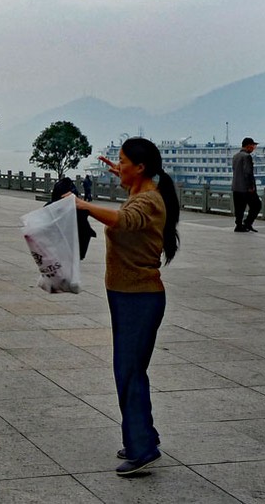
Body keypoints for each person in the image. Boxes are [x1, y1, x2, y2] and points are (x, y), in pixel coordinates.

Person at [70, 137, 180, 477]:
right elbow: (130, 208)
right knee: (130, 370)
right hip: (126, 295)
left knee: (129, 372)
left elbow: (125, 220)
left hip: (139, 298)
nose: (118, 166)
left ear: (141, 167)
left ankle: (142, 449)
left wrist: (84, 206)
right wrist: (127, 176)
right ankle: (142, 436)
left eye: (123, 161)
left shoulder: (150, 201)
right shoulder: (142, 192)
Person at [231, 137, 261, 232]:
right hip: (246, 188)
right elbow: (248, 172)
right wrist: (251, 186)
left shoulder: (235, 156)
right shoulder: (247, 156)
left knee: (239, 208)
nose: (253, 148)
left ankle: (239, 225)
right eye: (253, 146)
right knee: (257, 205)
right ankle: (247, 223)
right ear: (248, 146)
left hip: (236, 186)